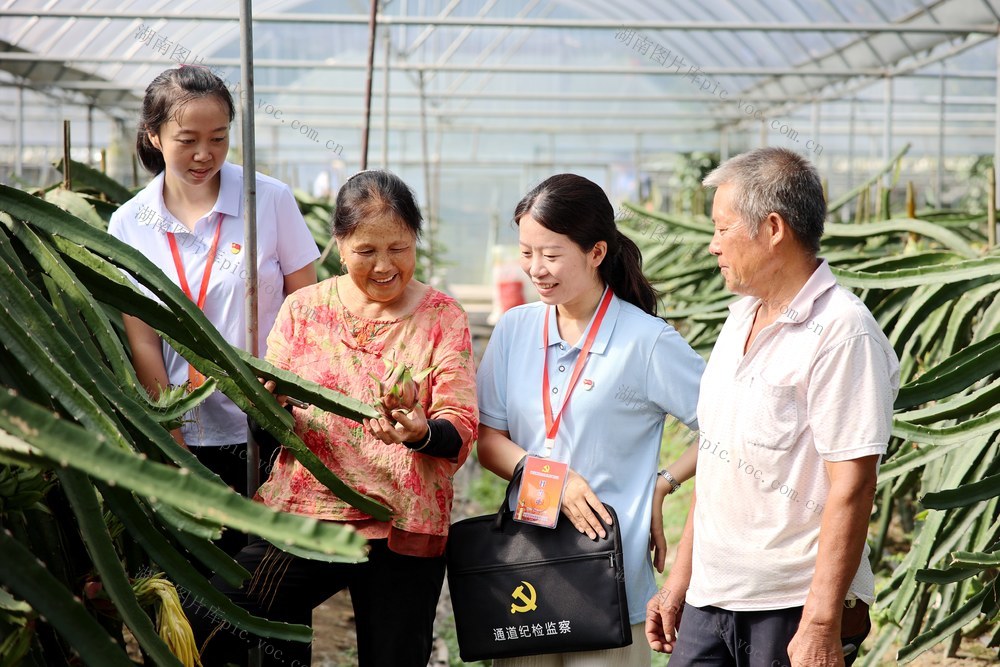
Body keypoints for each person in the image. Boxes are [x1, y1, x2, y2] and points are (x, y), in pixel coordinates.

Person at [186, 169, 479, 667]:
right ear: (339, 245)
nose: (385, 265)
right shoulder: (303, 310)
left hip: (403, 526)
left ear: (415, 241)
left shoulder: (442, 316)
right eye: (367, 251)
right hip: (306, 519)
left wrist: (421, 432)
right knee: (217, 615)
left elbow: (459, 427)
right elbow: (268, 428)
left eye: (399, 248)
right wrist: (268, 406)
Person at [645, 147, 900, 667]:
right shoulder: (739, 318)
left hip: (790, 607)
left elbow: (853, 485)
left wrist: (822, 623)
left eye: (722, 229)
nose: (713, 246)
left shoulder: (842, 333)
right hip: (710, 600)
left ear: (774, 228)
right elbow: (719, 457)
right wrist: (678, 586)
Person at [476, 173, 705, 666]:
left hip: (609, 576)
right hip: (528, 574)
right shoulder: (515, 329)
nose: (536, 269)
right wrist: (550, 479)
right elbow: (488, 439)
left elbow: (728, 427)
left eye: (552, 255)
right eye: (526, 253)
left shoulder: (646, 341)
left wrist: (664, 482)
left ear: (597, 252)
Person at [107, 66, 319, 555]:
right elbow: (142, 339)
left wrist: (286, 387)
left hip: (271, 423)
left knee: (272, 584)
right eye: (188, 140)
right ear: (154, 136)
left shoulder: (268, 200)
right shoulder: (129, 224)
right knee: (201, 581)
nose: (205, 154)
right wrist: (172, 442)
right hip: (186, 428)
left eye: (219, 138)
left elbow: (308, 308)